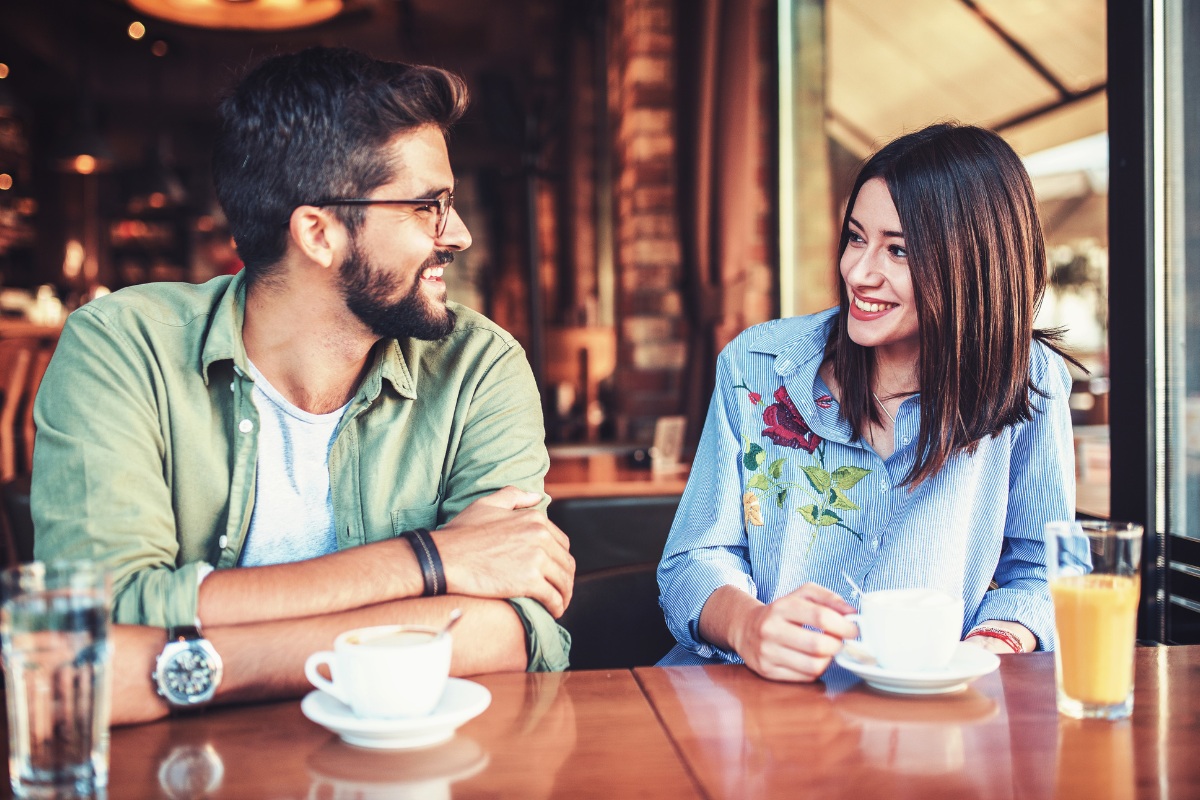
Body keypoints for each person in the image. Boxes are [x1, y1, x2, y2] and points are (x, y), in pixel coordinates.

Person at [32, 47, 574, 723]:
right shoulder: (122, 348)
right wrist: (429, 562)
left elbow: (518, 627)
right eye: (425, 206)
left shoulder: (477, 366)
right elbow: (97, 619)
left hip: (408, 765)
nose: (457, 234)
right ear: (317, 233)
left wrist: (198, 664)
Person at [657, 122, 1075, 681]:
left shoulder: (1028, 381)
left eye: (897, 250)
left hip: (927, 713)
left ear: (972, 266)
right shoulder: (756, 365)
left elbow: (1047, 571)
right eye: (856, 238)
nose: (857, 272)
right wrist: (748, 626)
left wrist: (988, 644)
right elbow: (690, 562)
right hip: (750, 701)